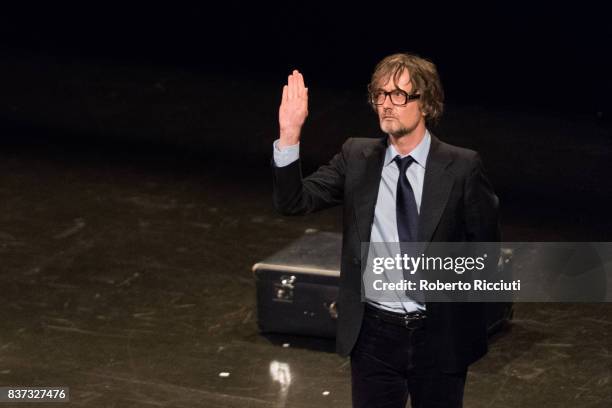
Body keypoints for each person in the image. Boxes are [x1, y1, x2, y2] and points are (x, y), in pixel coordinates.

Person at [272, 53, 500, 408]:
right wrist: (289, 135)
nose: (386, 105)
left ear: (425, 102)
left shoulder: (462, 167)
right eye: (380, 94)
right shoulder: (357, 156)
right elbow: (294, 201)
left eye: (398, 95)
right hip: (373, 335)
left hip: (438, 336)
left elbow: (484, 252)